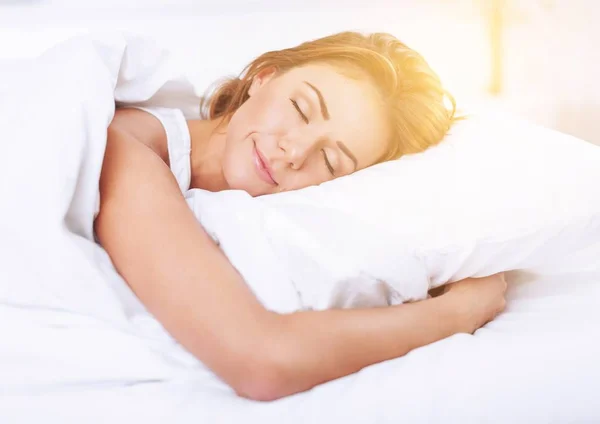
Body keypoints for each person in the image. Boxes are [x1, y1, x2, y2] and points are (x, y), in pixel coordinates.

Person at [94, 31, 507, 401]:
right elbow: (263, 360)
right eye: (302, 108)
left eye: (329, 160)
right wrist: (460, 313)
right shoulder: (128, 149)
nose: (294, 151)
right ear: (263, 78)